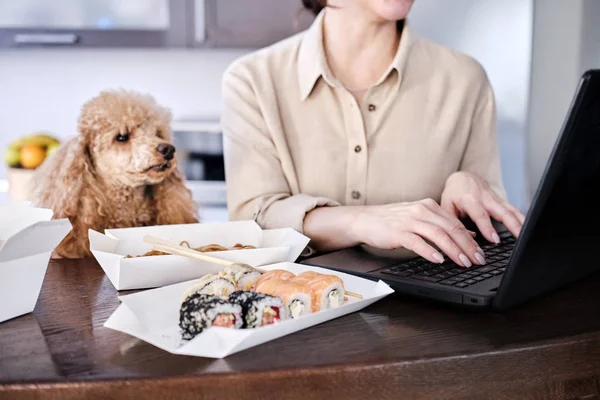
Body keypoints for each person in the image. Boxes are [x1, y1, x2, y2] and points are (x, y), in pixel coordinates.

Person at [221, 0, 525, 268]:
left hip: (431, 319)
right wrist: (360, 220)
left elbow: (493, 231)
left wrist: (468, 185)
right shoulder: (252, 81)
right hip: (299, 310)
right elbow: (252, 222)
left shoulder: (465, 79)